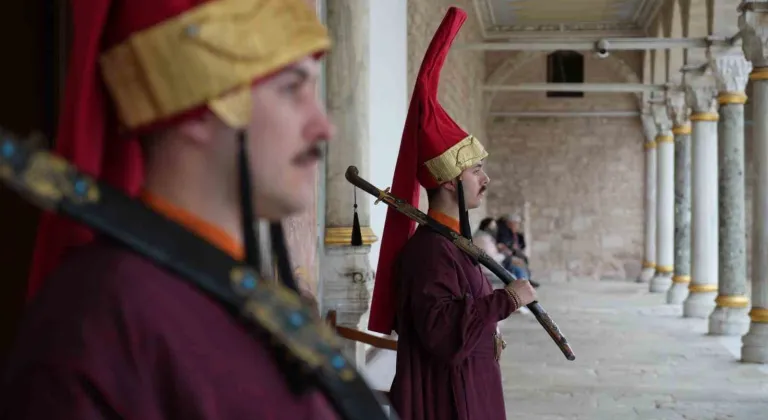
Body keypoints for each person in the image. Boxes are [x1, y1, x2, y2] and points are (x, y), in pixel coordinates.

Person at [1, 0, 345, 418]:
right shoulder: (96, 325)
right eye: (292, 88)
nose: (324, 127)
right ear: (196, 107)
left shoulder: (257, 306)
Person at [366, 7, 537, 420]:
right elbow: (443, 334)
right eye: (476, 170)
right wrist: (506, 300)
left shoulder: (453, 244)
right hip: (446, 400)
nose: (486, 179)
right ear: (447, 182)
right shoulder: (430, 252)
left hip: (470, 386)